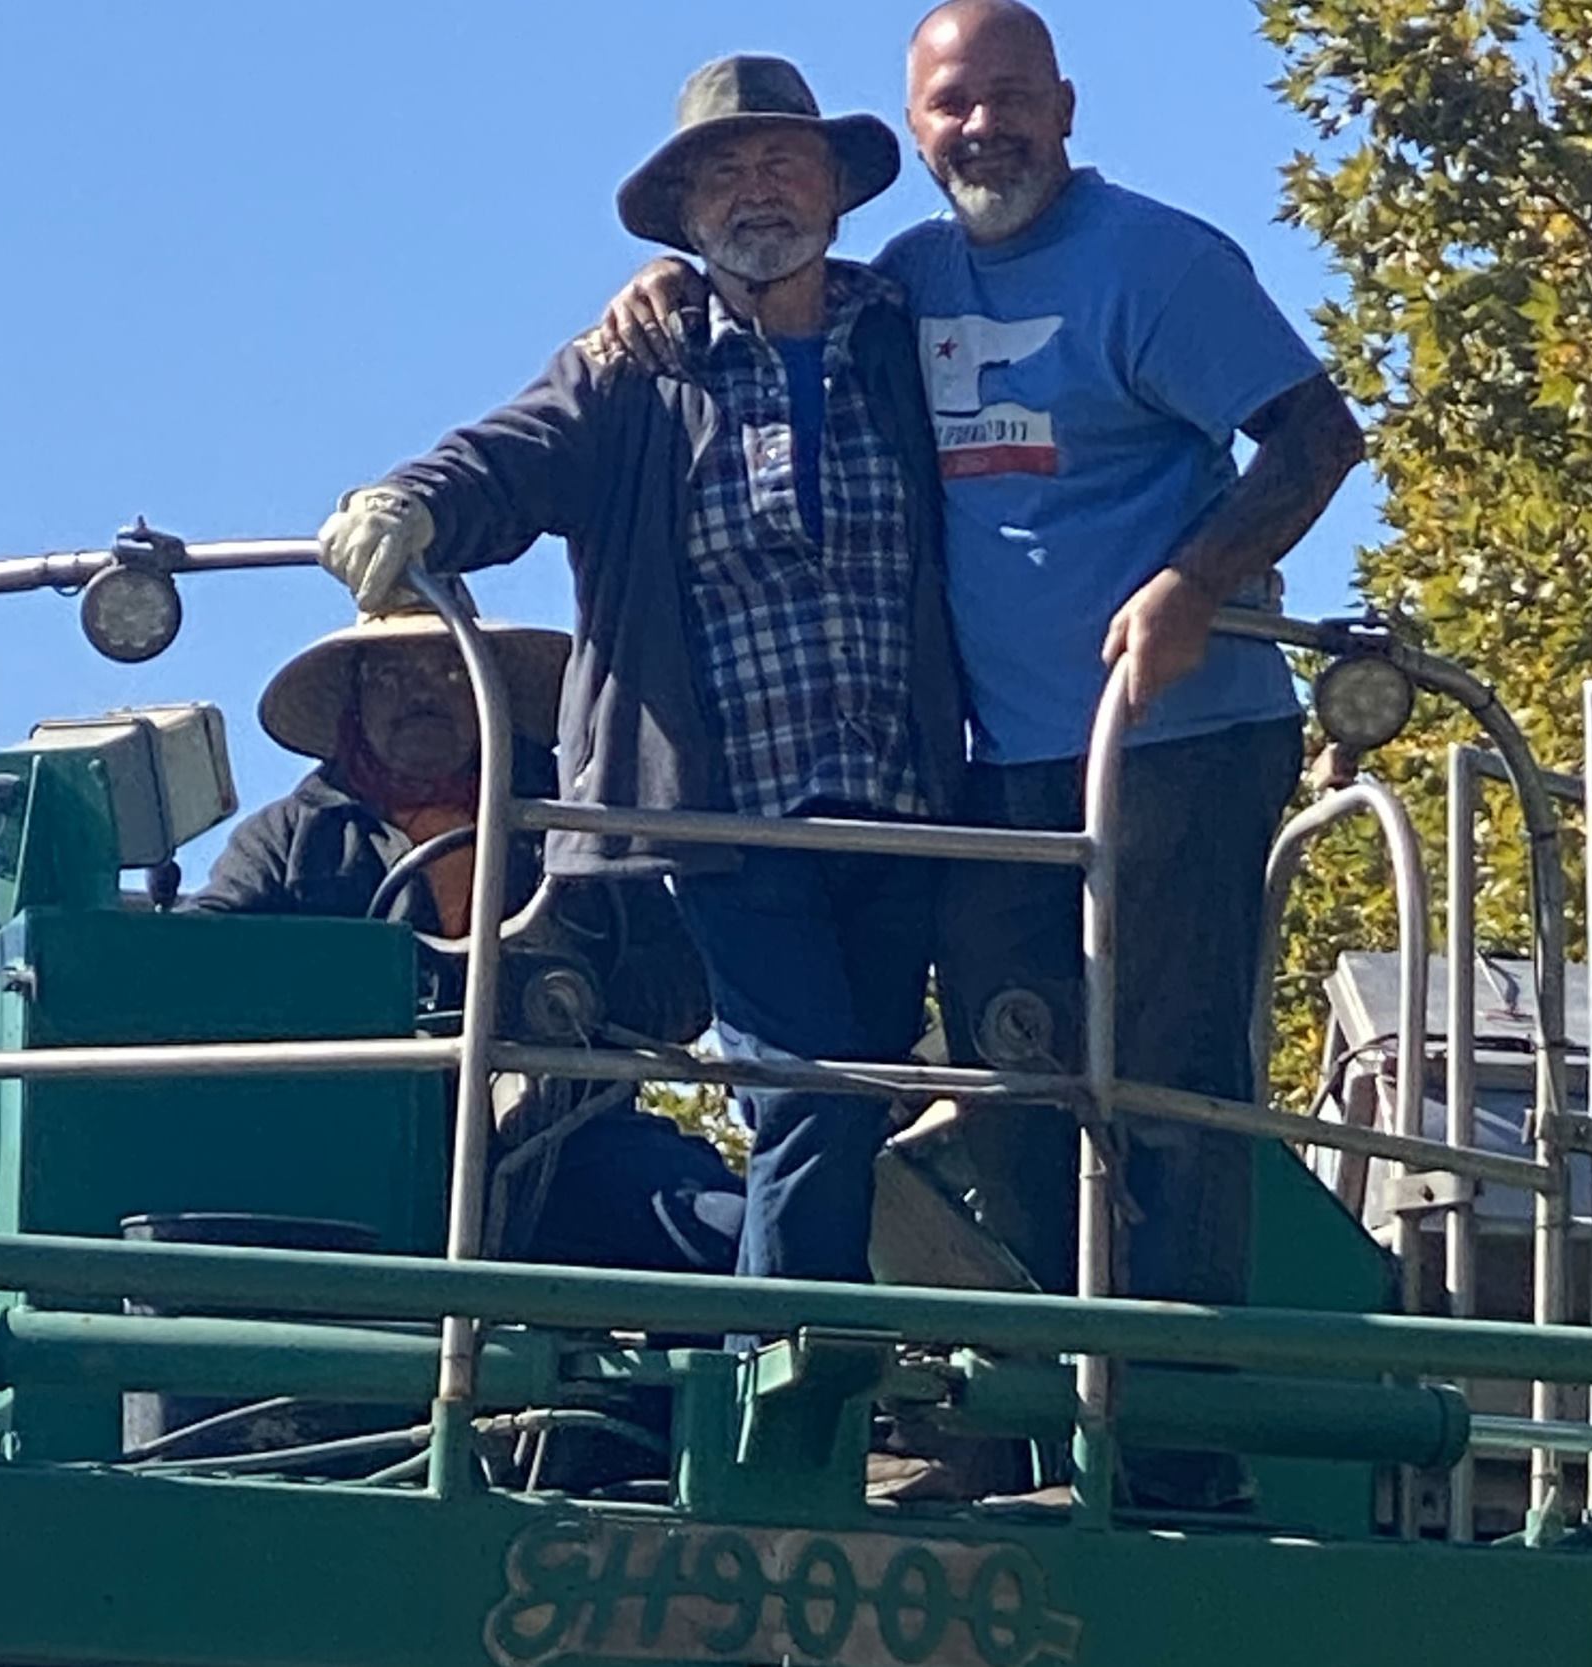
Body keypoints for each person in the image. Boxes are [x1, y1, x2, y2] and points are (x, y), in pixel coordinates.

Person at [600, 2, 1366, 1504]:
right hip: (983, 771)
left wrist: (1195, 581)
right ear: (920, 126)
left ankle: (1174, 1458)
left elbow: (1316, 436)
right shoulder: (908, 284)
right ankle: (1026, 1424)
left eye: (1010, 100)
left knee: (1168, 1081)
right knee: (1012, 1081)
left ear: (1065, 106)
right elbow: (762, 308)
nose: (983, 130)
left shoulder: (1158, 259)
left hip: (1177, 744)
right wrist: (653, 296)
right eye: (954, 105)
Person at [312, 55, 965, 1291]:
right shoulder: (632, 364)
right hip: (721, 816)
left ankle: (817, 1370)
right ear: (684, 216)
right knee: (808, 1095)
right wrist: (406, 505)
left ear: (835, 188)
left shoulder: (907, 337)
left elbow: (1044, 432)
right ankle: (788, 1387)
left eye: (781, 161)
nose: (755, 192)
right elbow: (508, 456)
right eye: (722, 173)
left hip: (904, 803)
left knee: (862, 1092)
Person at [189, 591, 744, 1275]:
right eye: (390, 674)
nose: (419, 693)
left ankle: (708, 1382)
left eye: (449, 670)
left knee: (732, 1236)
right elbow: (201, 965)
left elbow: (683, 982)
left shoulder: (578, 822)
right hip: (339, 1156)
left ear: (493, 691)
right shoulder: (288, 839)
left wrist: (569, 998)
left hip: (566, 1142)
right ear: (354, 700)